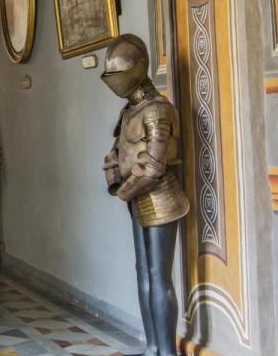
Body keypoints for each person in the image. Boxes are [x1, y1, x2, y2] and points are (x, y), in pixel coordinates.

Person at [101, 34, 189, 356]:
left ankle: (166, 350)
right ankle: (153, 346)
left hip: (161, 197)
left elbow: (154, 164)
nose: (111, 80)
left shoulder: (157, 110)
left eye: (116, 73)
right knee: (144, 271)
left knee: (158, 274)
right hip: (136, 198)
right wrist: (114, 179)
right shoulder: (130, 110)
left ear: (137, 69)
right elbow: (116, 152)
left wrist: (123, 191)